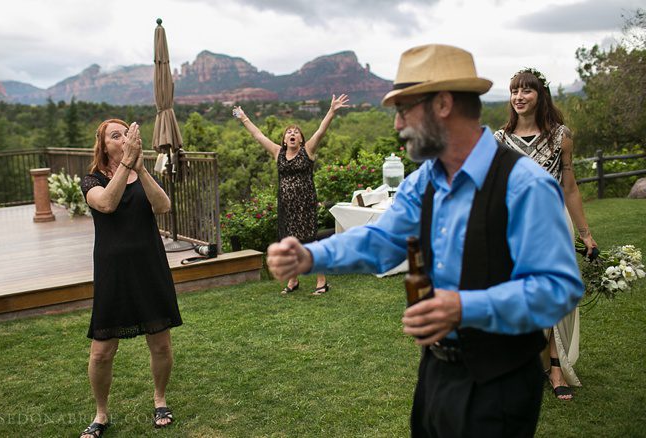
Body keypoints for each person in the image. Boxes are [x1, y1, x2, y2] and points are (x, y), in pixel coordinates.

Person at [266, 44, 584, 436]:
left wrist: (465, 307)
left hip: (498, 386)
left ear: (443, 105)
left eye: (404, 111)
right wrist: (308, 255)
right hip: (435, 370)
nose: (398, 125)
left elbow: (559, 288)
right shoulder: (424, 181)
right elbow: (381, 240)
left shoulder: (524, 185)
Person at [77, 119, 182, 437]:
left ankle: (160, 399)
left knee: (161, 345)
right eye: (115, 135)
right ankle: (101, 413)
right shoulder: (91, 180)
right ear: (104, 145)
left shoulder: (140, 174)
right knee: (102, 351)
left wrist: (142, 169)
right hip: (113, 272)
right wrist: (127, 164)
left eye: (126, 133)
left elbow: (163, 206)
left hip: (150, 265)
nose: (123, 138)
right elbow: (107, 203)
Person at [494, 68, 594, 401]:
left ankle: (555, 368)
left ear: (540, 96)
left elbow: (570, 187)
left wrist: (585, 233)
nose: (519, 97)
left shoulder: (560, 136)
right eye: (514, 91)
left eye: (526, 91)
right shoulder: (499, 140)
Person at [234, 94, 350, 295]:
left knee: (310, 243)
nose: (293, 134)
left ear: (301, 139)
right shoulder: (277, 152)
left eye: (296, 132)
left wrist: (331, 111)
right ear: (285, 139)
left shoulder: (308, 151)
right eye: (289, 132)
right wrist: (243, 117)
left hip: (305, 206)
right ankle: (293, 281)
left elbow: (321, 130)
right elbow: (258, 135)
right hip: (286, 207)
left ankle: (321, 282)